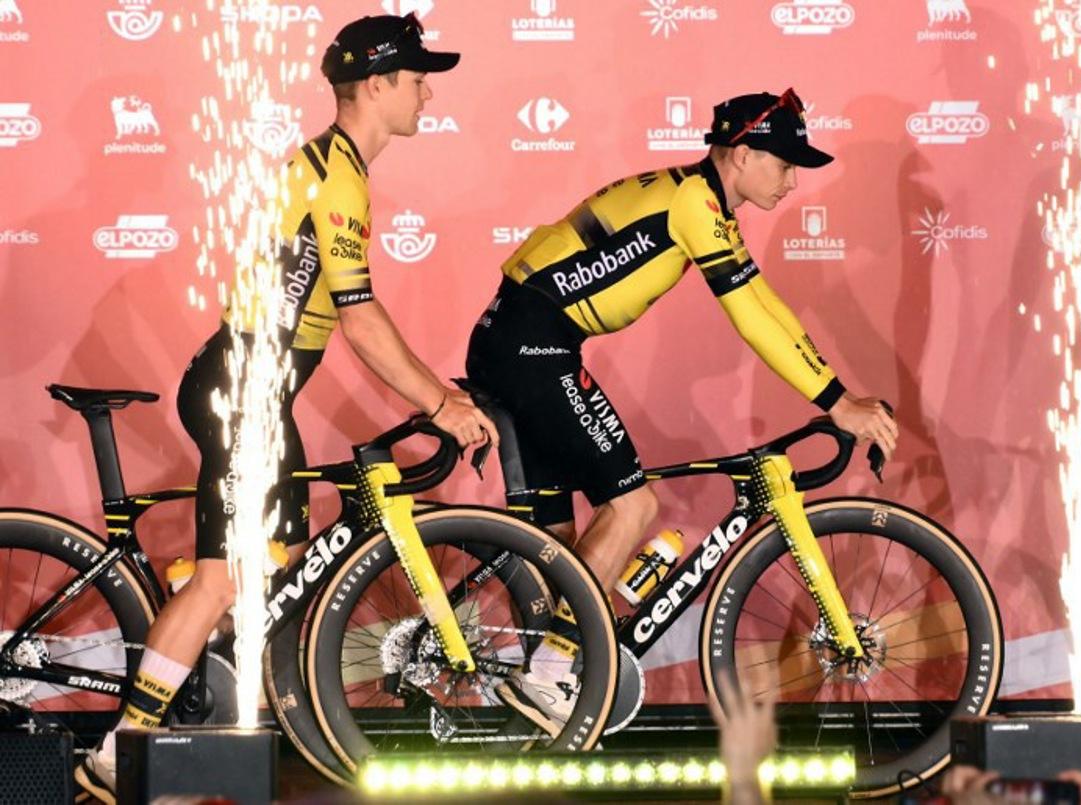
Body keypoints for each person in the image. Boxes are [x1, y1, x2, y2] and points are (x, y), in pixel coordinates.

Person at [76, 14, 496, 802]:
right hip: (244, 389)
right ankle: (118, 748)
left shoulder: (338, 166)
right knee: (219, 581)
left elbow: (355, 316)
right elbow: (360, 318)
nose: (428, 93)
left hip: (260, 390)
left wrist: (438, 392)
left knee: (282, 559)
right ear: (378, 84)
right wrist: (438, 402)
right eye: (416, 79)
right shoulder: (336, 175)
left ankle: (201, 682)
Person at [465, 88, 898, 734]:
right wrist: (837, 402)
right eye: (784, 164)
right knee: (632, 506)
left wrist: (836, 391)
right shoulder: (695, 201)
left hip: (516, 339)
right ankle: (550, 670)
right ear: (743, 154)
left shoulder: (695, 197)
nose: (792, 180)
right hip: (533, 345)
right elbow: (751, 315)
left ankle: (542, 692)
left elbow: (766, 304)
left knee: (561, 554)